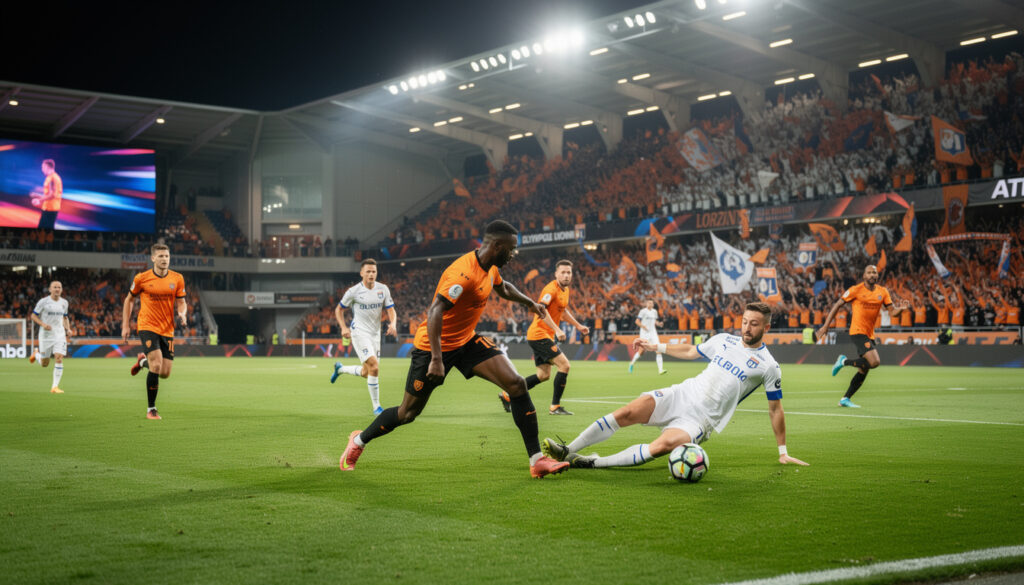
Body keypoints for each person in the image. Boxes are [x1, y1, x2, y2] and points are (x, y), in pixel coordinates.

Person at [340, 220, 569, 478]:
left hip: (466, 341)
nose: (513, 254)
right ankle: (359, 441)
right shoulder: (463, 273)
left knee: (516, 384)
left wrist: (530, 303)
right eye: (511, 249)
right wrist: (437, 360)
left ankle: (537, 460)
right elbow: (435, 311)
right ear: (497, 245)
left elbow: (502, 287)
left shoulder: (490, 267)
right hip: (433, 347)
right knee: (407, 413)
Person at [543, 302, 808, 469]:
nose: (747, 328)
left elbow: (776, 409)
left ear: (767, 327)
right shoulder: (724, 340)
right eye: (745, 322)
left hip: (702, 420)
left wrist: (783, 452)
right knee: (625, 414)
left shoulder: (768, 365)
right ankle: (568, 450)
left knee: (661, 446)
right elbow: (691, 351)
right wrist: (655, 346)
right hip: (682, 394)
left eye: (754, 324)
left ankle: (590, 463)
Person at [501, 259, 589, 415]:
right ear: (556, 274)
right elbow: (541, 309)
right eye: (563, 272)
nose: (566, 275)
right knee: (565, 365)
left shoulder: (565, 290)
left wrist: (578, 325)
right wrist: (558, 329)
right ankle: (555, 406)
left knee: (543, 375)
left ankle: (508, 395)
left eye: (569, 272)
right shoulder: (550, 290)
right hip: (539, 334)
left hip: (544, 335)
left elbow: (563, 311)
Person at [816, 265, 909, 408]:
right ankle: (843, 362)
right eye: (869, 272)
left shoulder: (883, 292)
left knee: (864, 369)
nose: (872, 275)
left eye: (874, 273)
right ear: (864, 276)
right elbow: (837, 305)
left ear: (877, 276)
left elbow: (892, 312)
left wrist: (901, 309)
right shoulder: (856, 290)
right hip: (857, 331)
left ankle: (845, 399)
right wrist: (826, 326)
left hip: (869, 334)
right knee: (875, 362)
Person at [121, 244, 188, 420]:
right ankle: (151, 409)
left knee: (165, 373)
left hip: (168, 328)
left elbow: (181, 301)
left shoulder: (177, 278)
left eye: (166, 256)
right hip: (147, 326)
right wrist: (125, 325)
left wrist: (182, 313)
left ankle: (142, 361)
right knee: (156, 365)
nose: (164, 259)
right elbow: (129, 300)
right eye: (160, 256)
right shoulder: (142, 278)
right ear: (152, 259)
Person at [330, 258, 398, 414]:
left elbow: (391, 309)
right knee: (374, 366)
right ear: (361, 273)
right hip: (359, 332)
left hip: (375, 335)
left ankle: (340, 369)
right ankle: (377, 407)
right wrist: (343, 327)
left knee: (366, 372)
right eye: (368, 271)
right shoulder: (353, 291)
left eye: (373, 271)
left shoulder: (383, 289)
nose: (371, 274)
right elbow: (338, 310)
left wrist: (393, 323)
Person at [28, 280, 71, 394]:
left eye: (59, 287)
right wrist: (43, 324)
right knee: (44, 364)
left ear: (61, 290)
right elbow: (33, 316)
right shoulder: (43, 302)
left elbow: (65, 318)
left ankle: (54, 387)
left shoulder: (64, 303)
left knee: (58, 357)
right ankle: (36, 354)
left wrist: (68, 329)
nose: (57, 289)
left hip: (59, 334)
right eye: (55, 287)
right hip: (46, 335)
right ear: (50, 289)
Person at [628, 299, 666, 374]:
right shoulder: (643, 311)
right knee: (641, 351)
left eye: (651, 303)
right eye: (648, 302)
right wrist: (643, 326)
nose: (650, 304)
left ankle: (660, 370)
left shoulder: (654, 311)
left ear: (653, 304)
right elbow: (637, 321)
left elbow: (654, 321)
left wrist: (659, 324)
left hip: (653, 333)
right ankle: (632, 363)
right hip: (644, 333)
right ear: (646, 304)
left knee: (658, 349)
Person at [35, 159, 63, 230]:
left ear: (47, 167)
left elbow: (52, 195)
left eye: (43, 167)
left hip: (51, 210)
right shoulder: (49, 177)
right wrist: (38, 194)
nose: (42, 169)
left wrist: (39, 199)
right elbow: (49, 192)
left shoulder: (53, 178)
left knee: (45, 231)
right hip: (48, 208)